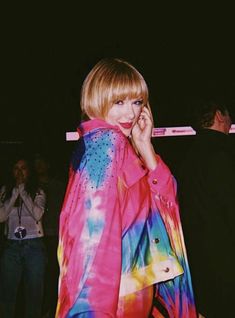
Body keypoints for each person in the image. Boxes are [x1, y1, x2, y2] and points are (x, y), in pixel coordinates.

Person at [56, 58, 197, 317]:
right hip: (115, 303)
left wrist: (146, 146)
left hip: (133, 299)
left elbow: (165, 201)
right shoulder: (107, 144)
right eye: (119, 102)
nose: (130, 114)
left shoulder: (120, 145)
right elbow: (93, 241)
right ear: (97, 98)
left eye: (137, 102)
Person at [178, 99, 235, 317]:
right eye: (228, 115)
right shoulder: (221, 154)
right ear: (219, 115)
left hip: (198, 261)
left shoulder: (189, 156)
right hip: (225, 260)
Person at [0, 155, 47, 318]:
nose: (20, 172)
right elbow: (1, 216)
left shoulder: (38, 191)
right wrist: (14, 192)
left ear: (29, 172)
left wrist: (24, 192)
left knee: (34, 294)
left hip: (34, 246)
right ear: (12, 172)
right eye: (16, 168)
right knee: (7, 294)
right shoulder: (5, 191)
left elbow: (37, 214)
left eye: (23, 168)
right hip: (12, 246)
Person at [34, 152, 66, 318]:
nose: (39, 166)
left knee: (54, 273)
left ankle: (52, 309)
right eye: (36, 163)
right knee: (40, 276)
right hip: (36, 236)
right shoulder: (31, 186)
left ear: (48, 165)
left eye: (42, 162)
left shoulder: (58, 186)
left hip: (55, 235)